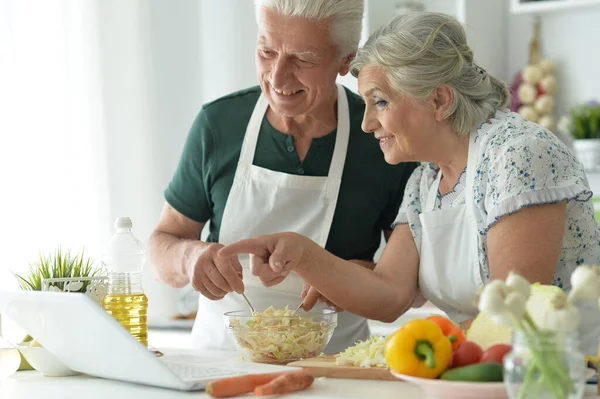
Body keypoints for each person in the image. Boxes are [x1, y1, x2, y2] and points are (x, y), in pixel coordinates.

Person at [218, 12, 600, 355]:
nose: (367, 124)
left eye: (380, 102)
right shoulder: (426, 180)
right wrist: (301, 254)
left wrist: (409, 351)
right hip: (483, 372)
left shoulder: (518, 155)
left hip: (566, 373)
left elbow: (513, 315)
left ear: (439, 100)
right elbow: (389, 292)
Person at [148, 0, 417, 353]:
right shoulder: (218, 125)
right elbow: (161, 246)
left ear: (346, 60)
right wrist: (188, 257)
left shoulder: (381, 139)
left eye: (302, 59)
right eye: (266, 51)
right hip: (219, 366)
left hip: (338, 372)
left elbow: (408, 286)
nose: (276, 77)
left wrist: (353, 277)